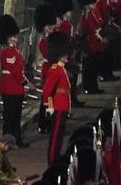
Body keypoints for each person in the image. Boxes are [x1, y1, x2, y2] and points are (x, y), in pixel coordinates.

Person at [0, 16, 29, 146]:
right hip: (11, 88)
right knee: (10, 117)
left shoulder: (12, 51)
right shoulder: (8, 52)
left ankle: (15, 139)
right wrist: (25, 83)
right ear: (8, 37)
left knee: (15, 116)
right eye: (13, 36)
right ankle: (8, 141)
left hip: (14, 88)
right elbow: (15, 71)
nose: (16, 38)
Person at [41, 31, 72, 164]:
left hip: (63, 106)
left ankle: (55, 158)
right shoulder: (55, 69)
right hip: (58, 107)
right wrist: (50, 107)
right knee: (55, 137)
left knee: (59, 137)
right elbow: (46, 91)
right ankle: (52, 160)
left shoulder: (61, 69)